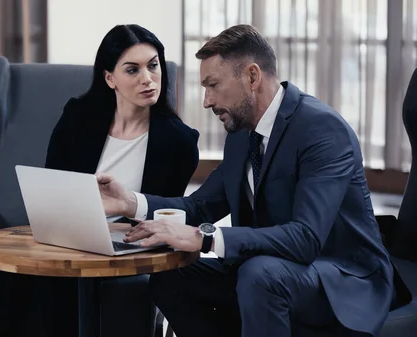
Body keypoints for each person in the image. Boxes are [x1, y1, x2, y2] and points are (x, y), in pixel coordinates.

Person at [95, 24, 412, 337]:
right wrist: (129, 202)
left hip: (339, 277)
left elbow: (306, 239)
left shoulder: (322, 130)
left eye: (213, 85)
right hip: (270, 271)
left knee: (259, 275)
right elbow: (200, 205)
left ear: (252, 76)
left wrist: (205, 239)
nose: (206, 100)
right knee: (171, 276)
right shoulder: (241, 134)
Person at [0, 24, 200, 337]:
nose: (148, 78)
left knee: (64, 280)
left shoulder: (180, 142)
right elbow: (52, 186)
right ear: (110, 78)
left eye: (153, 65)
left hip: (126, 245)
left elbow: (165, 210)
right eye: (132, 70)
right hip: (70, 235)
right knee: (6, 273)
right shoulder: (78, 117)